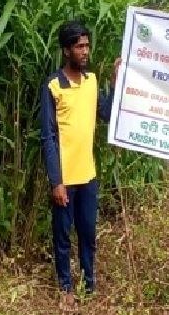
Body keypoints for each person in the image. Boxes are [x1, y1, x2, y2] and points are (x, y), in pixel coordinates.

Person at [40, 21, 121, 311]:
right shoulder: (53, 85)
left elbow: (107, 114)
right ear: (66, 50)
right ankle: (65, 288)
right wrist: (56, 181)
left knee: (88, 233)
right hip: (65, 177)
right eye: (79, 46)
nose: (85, 51)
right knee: (62, 236)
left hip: (88, 175)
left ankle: (89, 283)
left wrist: (115, 80)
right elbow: (48, 137)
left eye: (87, 45)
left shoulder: (91, 81)